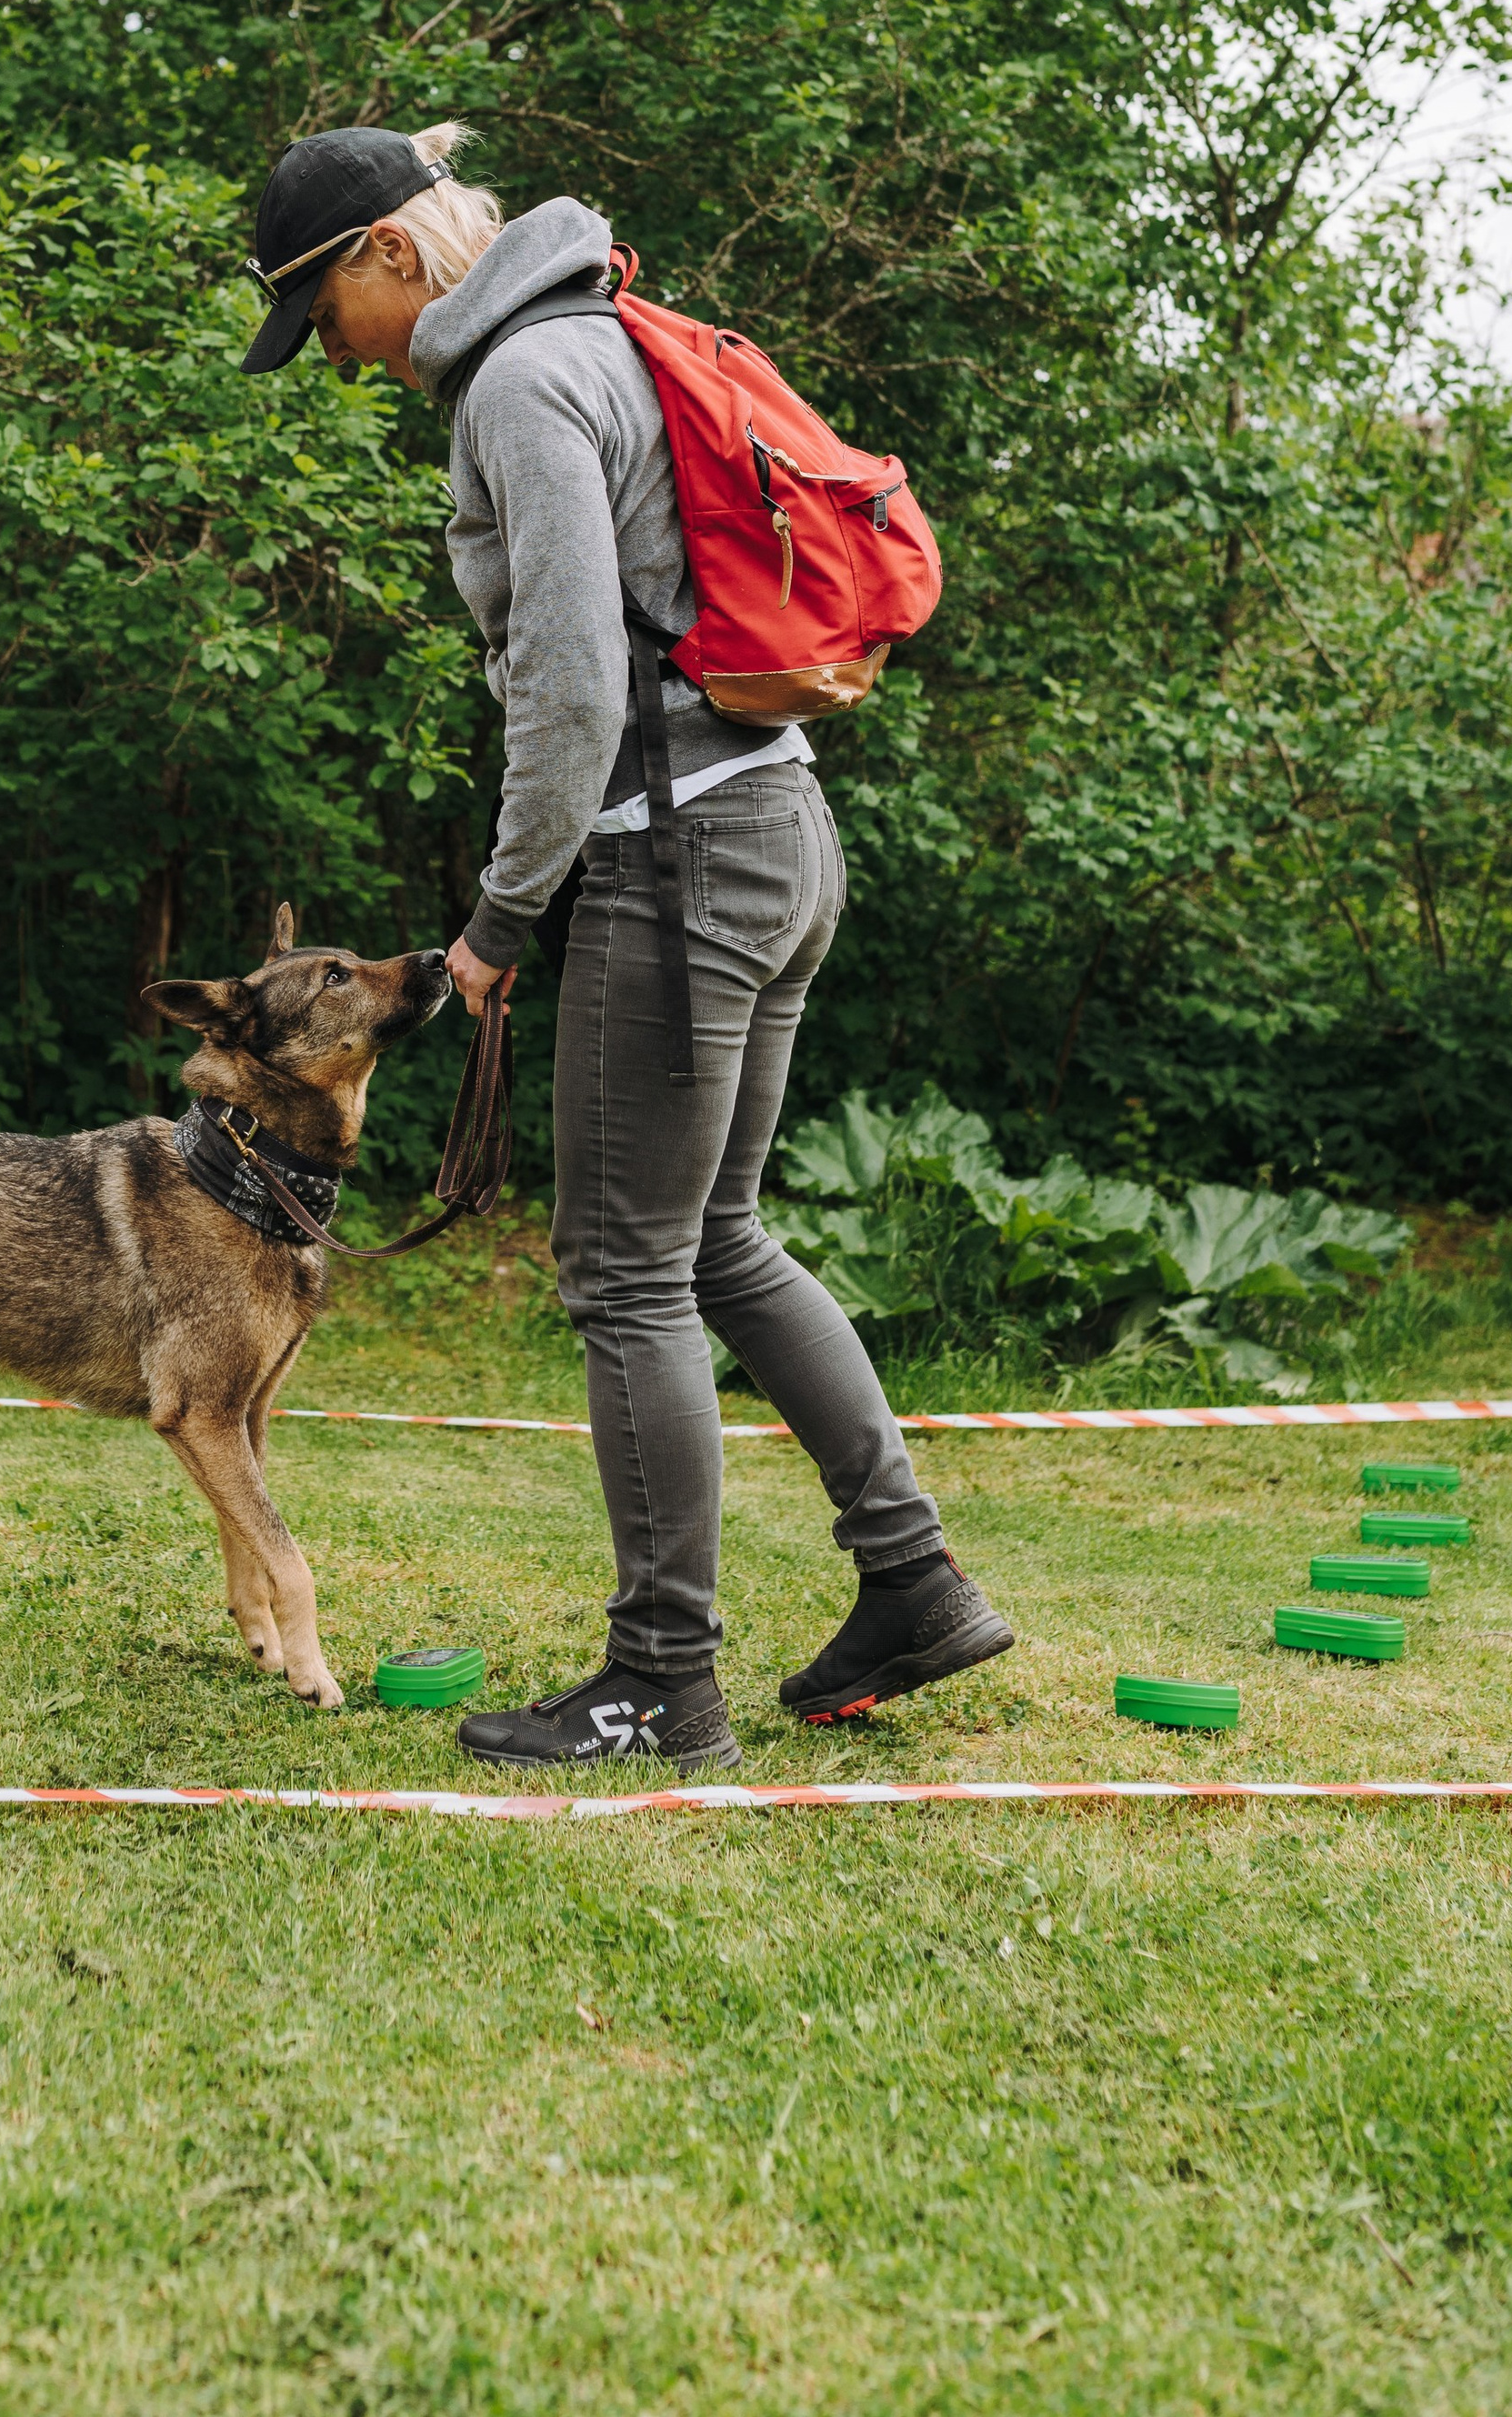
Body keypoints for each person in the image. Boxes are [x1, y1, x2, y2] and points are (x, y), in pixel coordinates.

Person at [239, 120, 1013, 1771]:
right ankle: (914, 1577)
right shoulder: (603, 336)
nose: (335, 359)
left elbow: (576, 683)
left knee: (627, 1268)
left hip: (676, 858)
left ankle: (663, 1674)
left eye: (324, 316)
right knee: (718, 1236)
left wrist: (504, 916)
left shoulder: (523, 381)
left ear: (391, 251)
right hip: (780, 832)